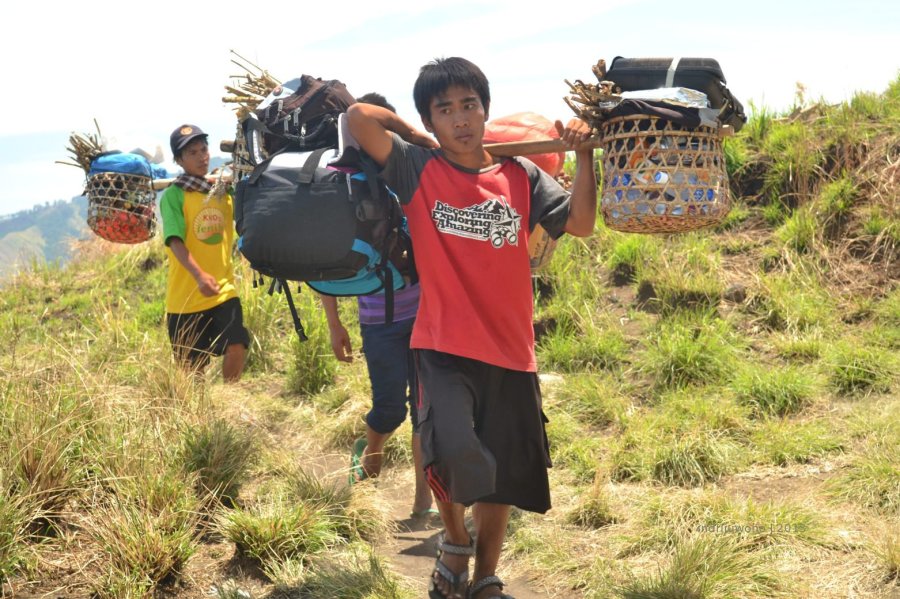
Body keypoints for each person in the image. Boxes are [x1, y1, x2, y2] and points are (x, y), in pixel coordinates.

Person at [346, 58, 597, 599]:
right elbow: (359, 117)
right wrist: (414, 135)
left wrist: (582, 156)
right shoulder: (417, 169)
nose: (460, 119)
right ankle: (455, 542)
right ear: (430, 120)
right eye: (445, 110)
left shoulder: (522, 176)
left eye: (469, 106)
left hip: (511, 348)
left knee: (500, 470)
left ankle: (484, 575)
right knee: (452, 448)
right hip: (442, 343)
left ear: (486, 110)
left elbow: (580, 222)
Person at [320, 92, 436, 519]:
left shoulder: (409, 173)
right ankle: (371, 450)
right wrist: (335, 324)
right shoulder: (344, 187)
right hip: (379, 321)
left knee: (427, 411)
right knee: (391, 408)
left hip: (426, 314)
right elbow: (328, 262)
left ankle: (422, 503)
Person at [159, 124, 249, 382]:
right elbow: (175, 241)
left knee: (236, 345)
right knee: (192, 375)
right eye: (192, 153)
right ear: (179, 160)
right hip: (185, 300)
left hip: (223, 290)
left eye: (203, 149)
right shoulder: (174, 196)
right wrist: (199, 276)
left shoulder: (222, 191)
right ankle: (202, 417)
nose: (202, 157)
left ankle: (228, 401)